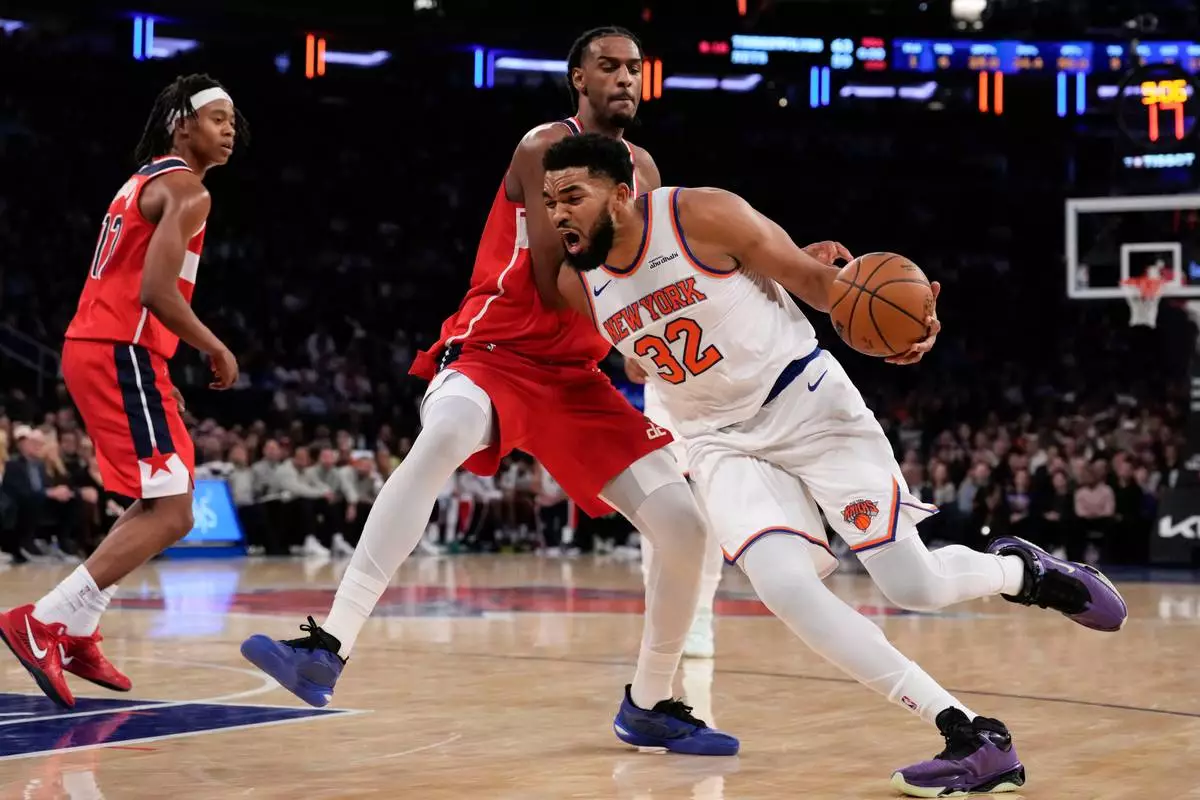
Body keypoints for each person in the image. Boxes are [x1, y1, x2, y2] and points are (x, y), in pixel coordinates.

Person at [541, 133, 1129, 796]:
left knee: (913, 585)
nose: (558, 213)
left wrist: (903, 325)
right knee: (784, 587)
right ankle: (971, 735)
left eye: (572, 196)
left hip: (806, 404)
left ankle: (1023, 572)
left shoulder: (701, 215)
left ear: (622, 194)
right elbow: (640, 352)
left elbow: (820, 284)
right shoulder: (575, 281)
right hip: (718, 441)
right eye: (550, 201)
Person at [240, 27, 738, 757]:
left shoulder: (644, 169)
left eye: (635, 68)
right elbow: (553, 279)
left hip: (576, 377)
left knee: (685, 526)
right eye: (609, 67)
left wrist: (658, 334)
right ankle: (327, 645)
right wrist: (633, 328)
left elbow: (646, 272)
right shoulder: (544, 147)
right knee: (442, 437)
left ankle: (650, 701)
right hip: (497, 350)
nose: (626, 79)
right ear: (578, 78)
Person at [0, 74, 243, 709]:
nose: (230, 129)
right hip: (118, 349)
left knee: (163, 500)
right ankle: (43, 620)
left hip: (116, 350)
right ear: (181, 125)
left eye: (233, 120)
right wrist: (214, 346)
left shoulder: (144, 180)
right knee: (173, 511)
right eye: (218, 117)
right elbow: (154, 292)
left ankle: (78, 627)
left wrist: (159, 364)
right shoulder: (187, 190)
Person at [624, 360, 724, 659]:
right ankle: (656, 614)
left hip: (718, 386)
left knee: (710, 508)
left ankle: (702, 614)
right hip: (664, 380)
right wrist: (626, 349)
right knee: (657, 505)